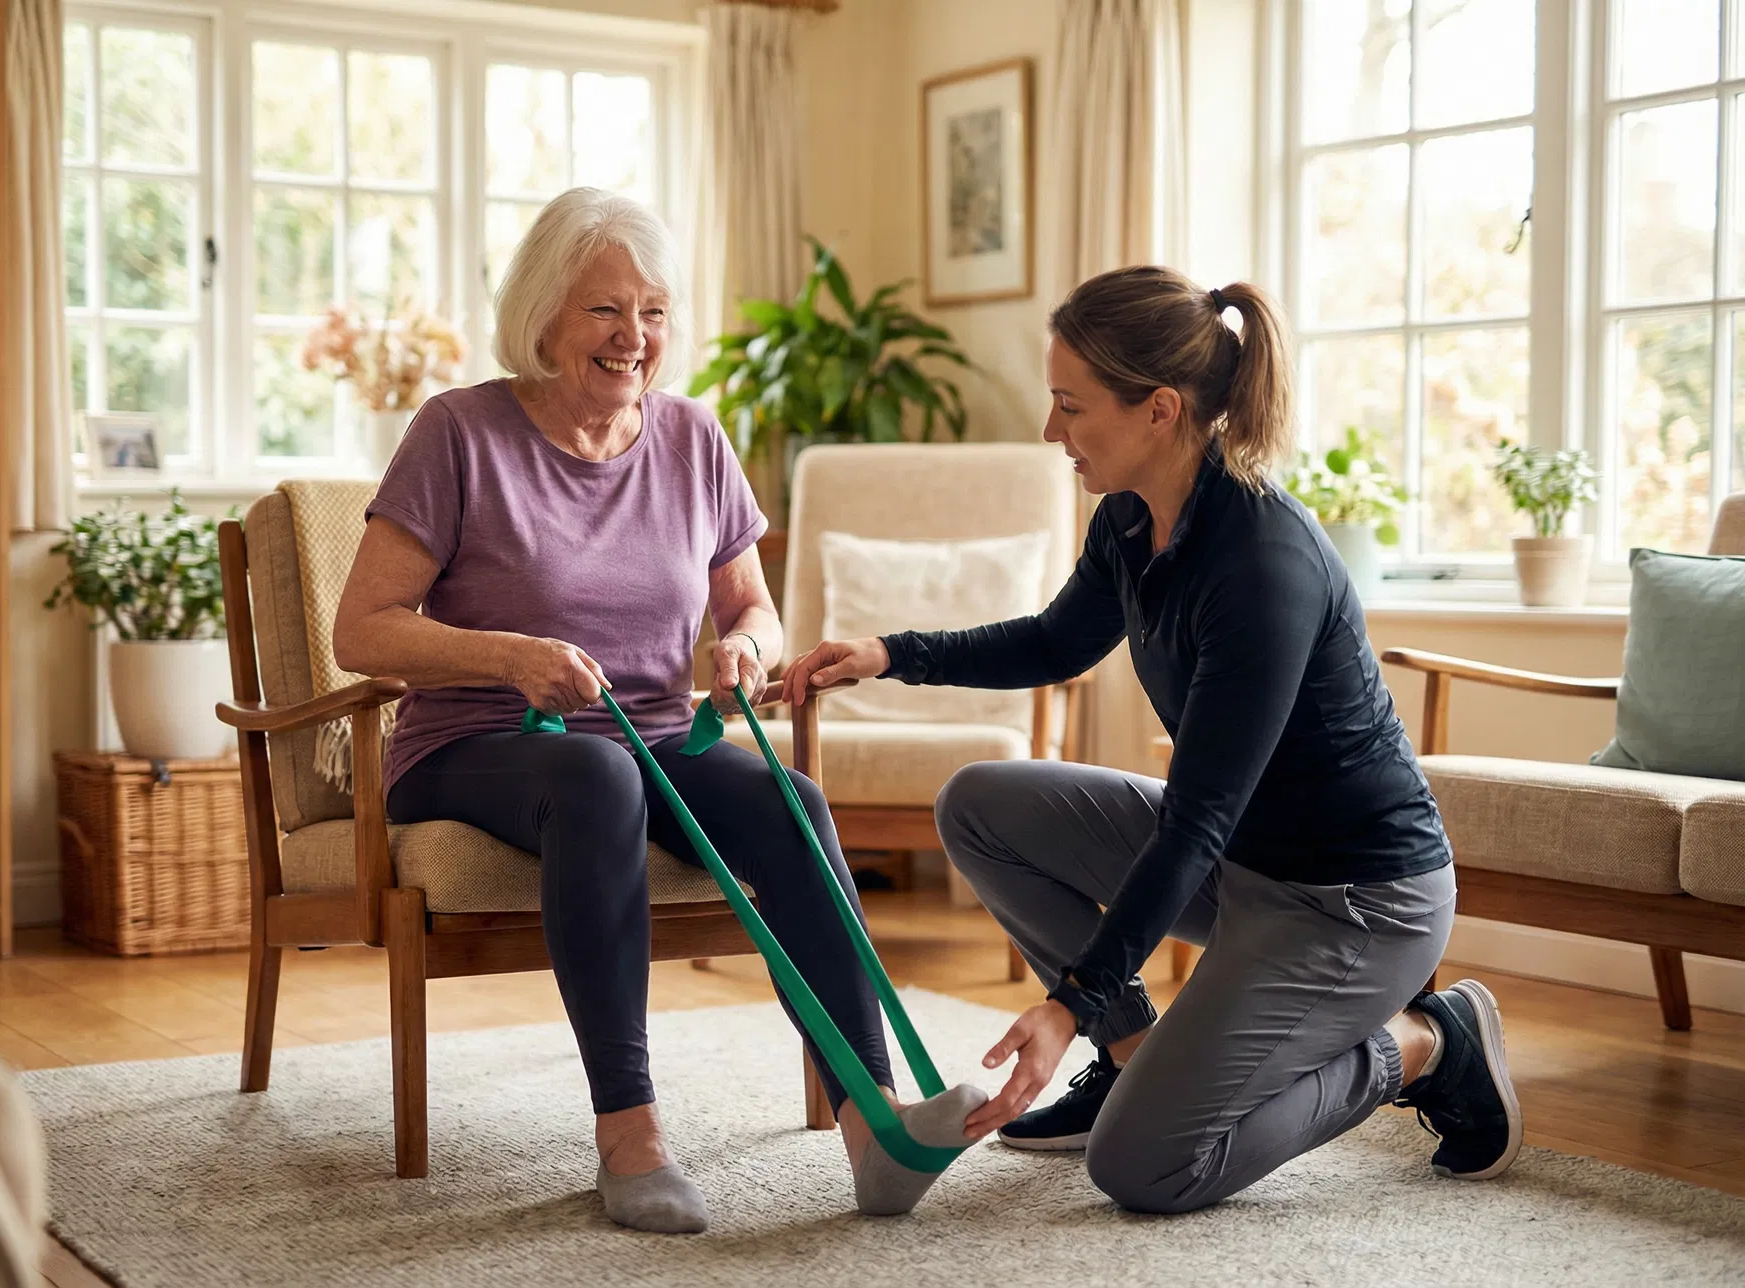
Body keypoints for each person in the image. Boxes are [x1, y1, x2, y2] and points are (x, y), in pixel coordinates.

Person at [780, 265, 1521, 1214]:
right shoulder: (1130, 517)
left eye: (1069, 405)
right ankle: (1131, 1060)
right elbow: (1055, 641)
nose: (1053, 431)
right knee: (981, 801)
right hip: (1243, 867)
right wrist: (889, 653)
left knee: (1143, 1168)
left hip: (1356, 903)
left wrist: (1068, 1000)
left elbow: (1196, 821)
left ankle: (1428, 1044)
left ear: (1159, 409)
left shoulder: (1262, 565)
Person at [332, 187, 984, 1235]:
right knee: (597, 777)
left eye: (654, 311)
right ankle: (628, 1133)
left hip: (655, 729)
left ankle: (876, 1128)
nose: (633, 337)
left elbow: (753, 604)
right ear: (543, 313)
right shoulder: (461, 432)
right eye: (605, 310)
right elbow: (361, 630)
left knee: (789, 795)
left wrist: (745, 650)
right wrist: (513, 659)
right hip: (477, 741)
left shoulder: (690, 437)